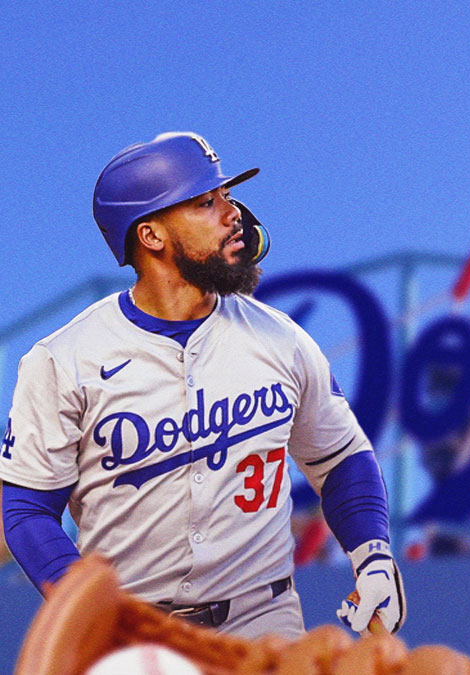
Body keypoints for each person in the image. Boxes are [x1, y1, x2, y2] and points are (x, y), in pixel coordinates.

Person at [0, 132, 405, 639]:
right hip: (134, 625)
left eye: (227, 197)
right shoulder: (63, 360)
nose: (233, 213)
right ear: (151, 237)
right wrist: (83, 599)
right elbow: (28, 508)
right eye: (206, 202)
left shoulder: (281, 338)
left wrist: (372, 557)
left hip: (265, 618)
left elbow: (341, 458)